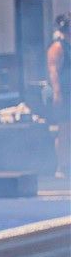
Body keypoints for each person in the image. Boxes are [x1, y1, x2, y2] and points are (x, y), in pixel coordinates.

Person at [48, 14, 70, 178]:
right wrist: (57, 93)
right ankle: (61, 166)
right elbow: (53, 71)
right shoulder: (58, 48)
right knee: (64, 130)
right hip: (65, 92)